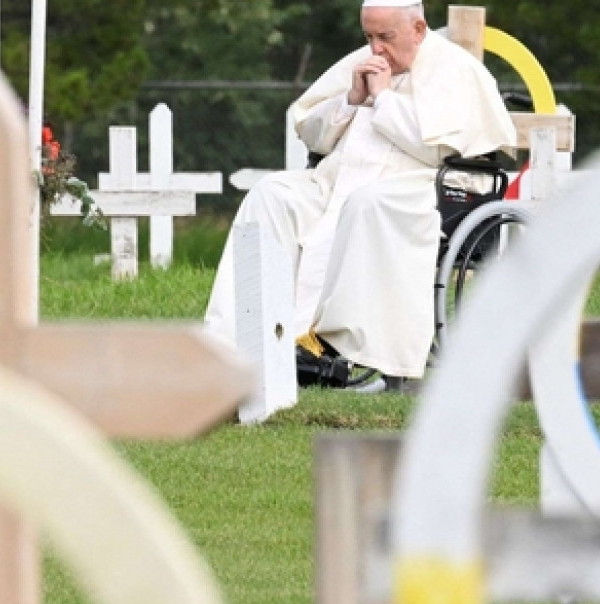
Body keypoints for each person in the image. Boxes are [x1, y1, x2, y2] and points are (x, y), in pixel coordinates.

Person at [204, 0, 516, 390]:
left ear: (418, 29)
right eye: (369, 37)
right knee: (271, 193)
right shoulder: (359, 63)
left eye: (386, 37)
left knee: (368, 203)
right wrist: (349, 100)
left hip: (421, 191)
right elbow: (313, 136)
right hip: (334, 184)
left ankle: (332, 347)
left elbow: (436, 149)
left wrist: (384, 98)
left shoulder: (457, 70)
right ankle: (234, 339)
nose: (376, 49)